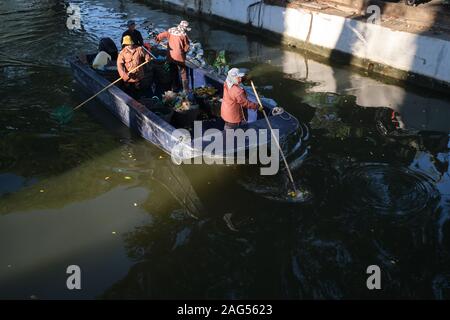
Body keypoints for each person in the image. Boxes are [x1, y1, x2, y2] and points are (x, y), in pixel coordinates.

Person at [156, 20, 191, 92]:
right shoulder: (184, 35)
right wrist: (184, 53)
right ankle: (185, 89)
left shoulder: (170, 31)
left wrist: (157, 40)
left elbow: (160, 36)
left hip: (170, 56)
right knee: (183, 72)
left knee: (173, 71)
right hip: (179, 57)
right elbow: (186, 47)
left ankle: (174, 87)